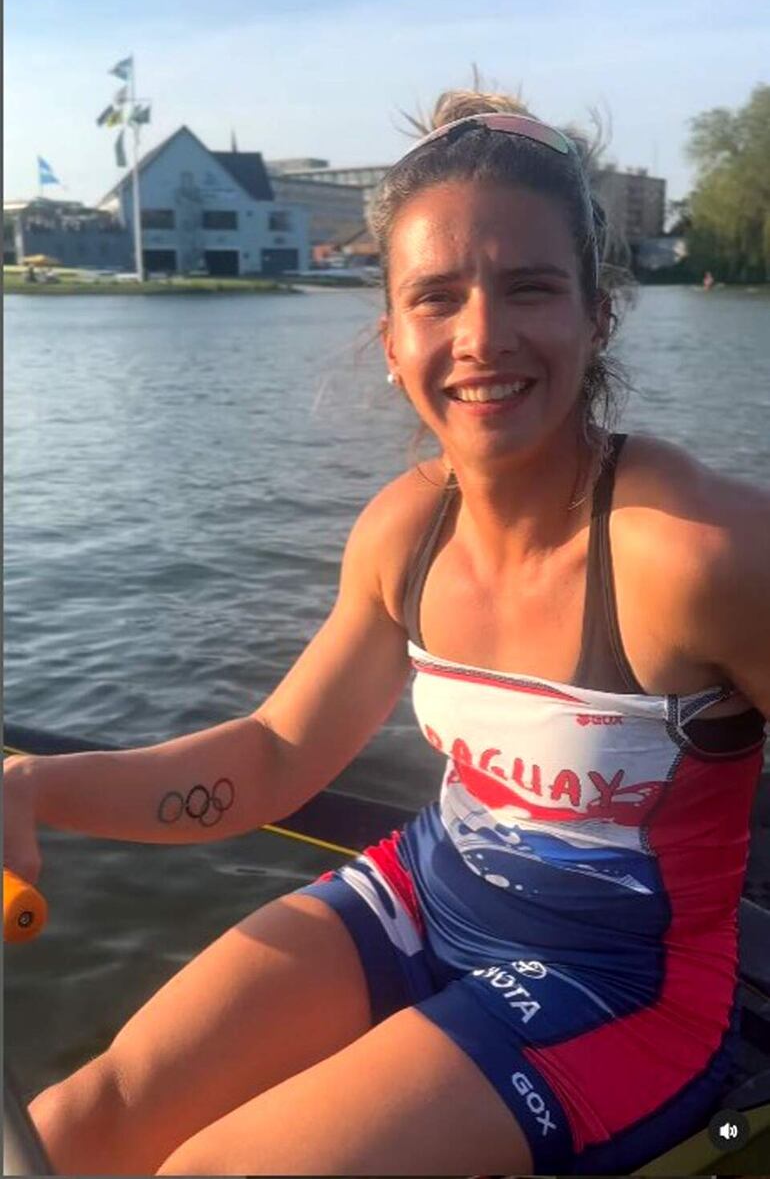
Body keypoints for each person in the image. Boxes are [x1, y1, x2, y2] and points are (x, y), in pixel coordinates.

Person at [5, 87, 769, 1177]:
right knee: (76, 1123)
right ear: (391, 340)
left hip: (619, 987)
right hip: (420, 896)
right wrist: (35, 789)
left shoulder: (700, 552)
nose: (481, 337)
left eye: (529, 287)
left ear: (596, 315)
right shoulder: (405, 531)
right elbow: (273, 756)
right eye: (436, 298)